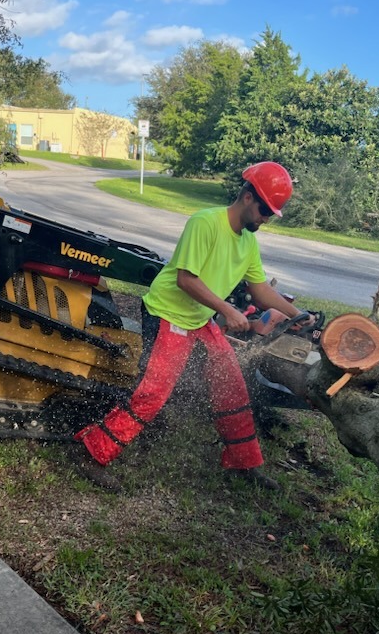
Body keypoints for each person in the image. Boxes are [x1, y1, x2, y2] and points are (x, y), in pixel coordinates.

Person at [70, 161, 316, 493]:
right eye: (264, 210)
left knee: (232, 385)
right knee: (154, 393)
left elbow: (260, 290)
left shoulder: (248, 243)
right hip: (169, 313)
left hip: (199, 318)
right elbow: (186, 279)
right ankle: (90, 453)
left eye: (271, 213)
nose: (265, 218)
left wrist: (298, 314)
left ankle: (243, 464)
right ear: (247, 196)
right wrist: (227, 310)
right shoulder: (205, 223)